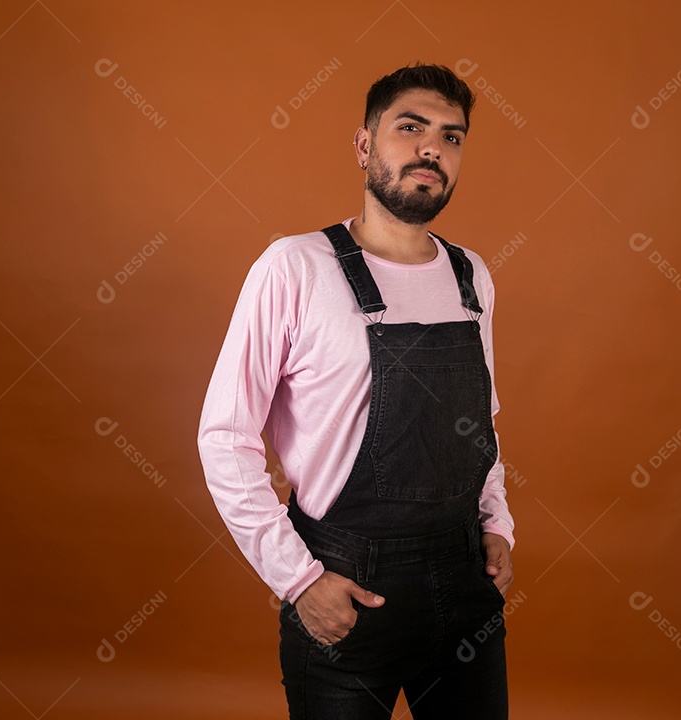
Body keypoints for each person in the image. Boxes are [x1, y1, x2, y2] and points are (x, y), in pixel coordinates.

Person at [197, 62, 515, 719]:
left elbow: (479, 423)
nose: (433, 148)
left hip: (465, 588)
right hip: (345, 582)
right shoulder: (294, 268)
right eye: (411, 127)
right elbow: (225, 439)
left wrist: (497, 524)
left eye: (452, 138)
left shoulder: (471, 276)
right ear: (364, 145)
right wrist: (299, 580)